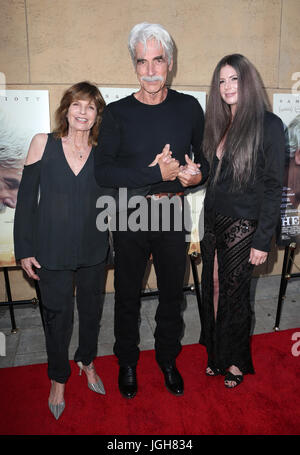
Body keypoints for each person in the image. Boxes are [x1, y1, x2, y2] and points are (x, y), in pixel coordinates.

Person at [94, 22, 209, 399]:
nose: (150, 71)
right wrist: (153, 174)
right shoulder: (115, 113)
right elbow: (104, 171)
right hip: (130, 214)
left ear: (170, 62)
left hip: (173, 213)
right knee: (127, 294)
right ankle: (127, 361)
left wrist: (194, 177)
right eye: (141, 62)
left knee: (172, 295)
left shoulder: (189, 107)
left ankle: (167, 358)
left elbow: (203, 161)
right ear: (134, 65)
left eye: (157, 60)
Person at [14, 81, 109, 419]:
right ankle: (58, 377)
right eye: (77, 105)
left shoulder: (103, 152)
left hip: (94, 250)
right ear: (66, 109)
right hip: (50, 251)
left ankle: (86, 360)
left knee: (92, 314)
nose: (83, 112)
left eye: (91, 107)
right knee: (57, 318)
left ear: (98, 115)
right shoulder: (43, 144)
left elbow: (121, 193)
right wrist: (24, 248)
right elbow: (25, 202)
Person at [200, 54, 285, 388]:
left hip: (244, 226)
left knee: (236, 294)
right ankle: (216, 353)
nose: (226, 87)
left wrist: (263, 240)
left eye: (234, 79)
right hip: (213, 221)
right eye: (221, 81)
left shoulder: (269, 124)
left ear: (247, 81)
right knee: (214, 287)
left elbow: (272, 185)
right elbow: (215, 175)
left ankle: (235, 360)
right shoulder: (220, 122)